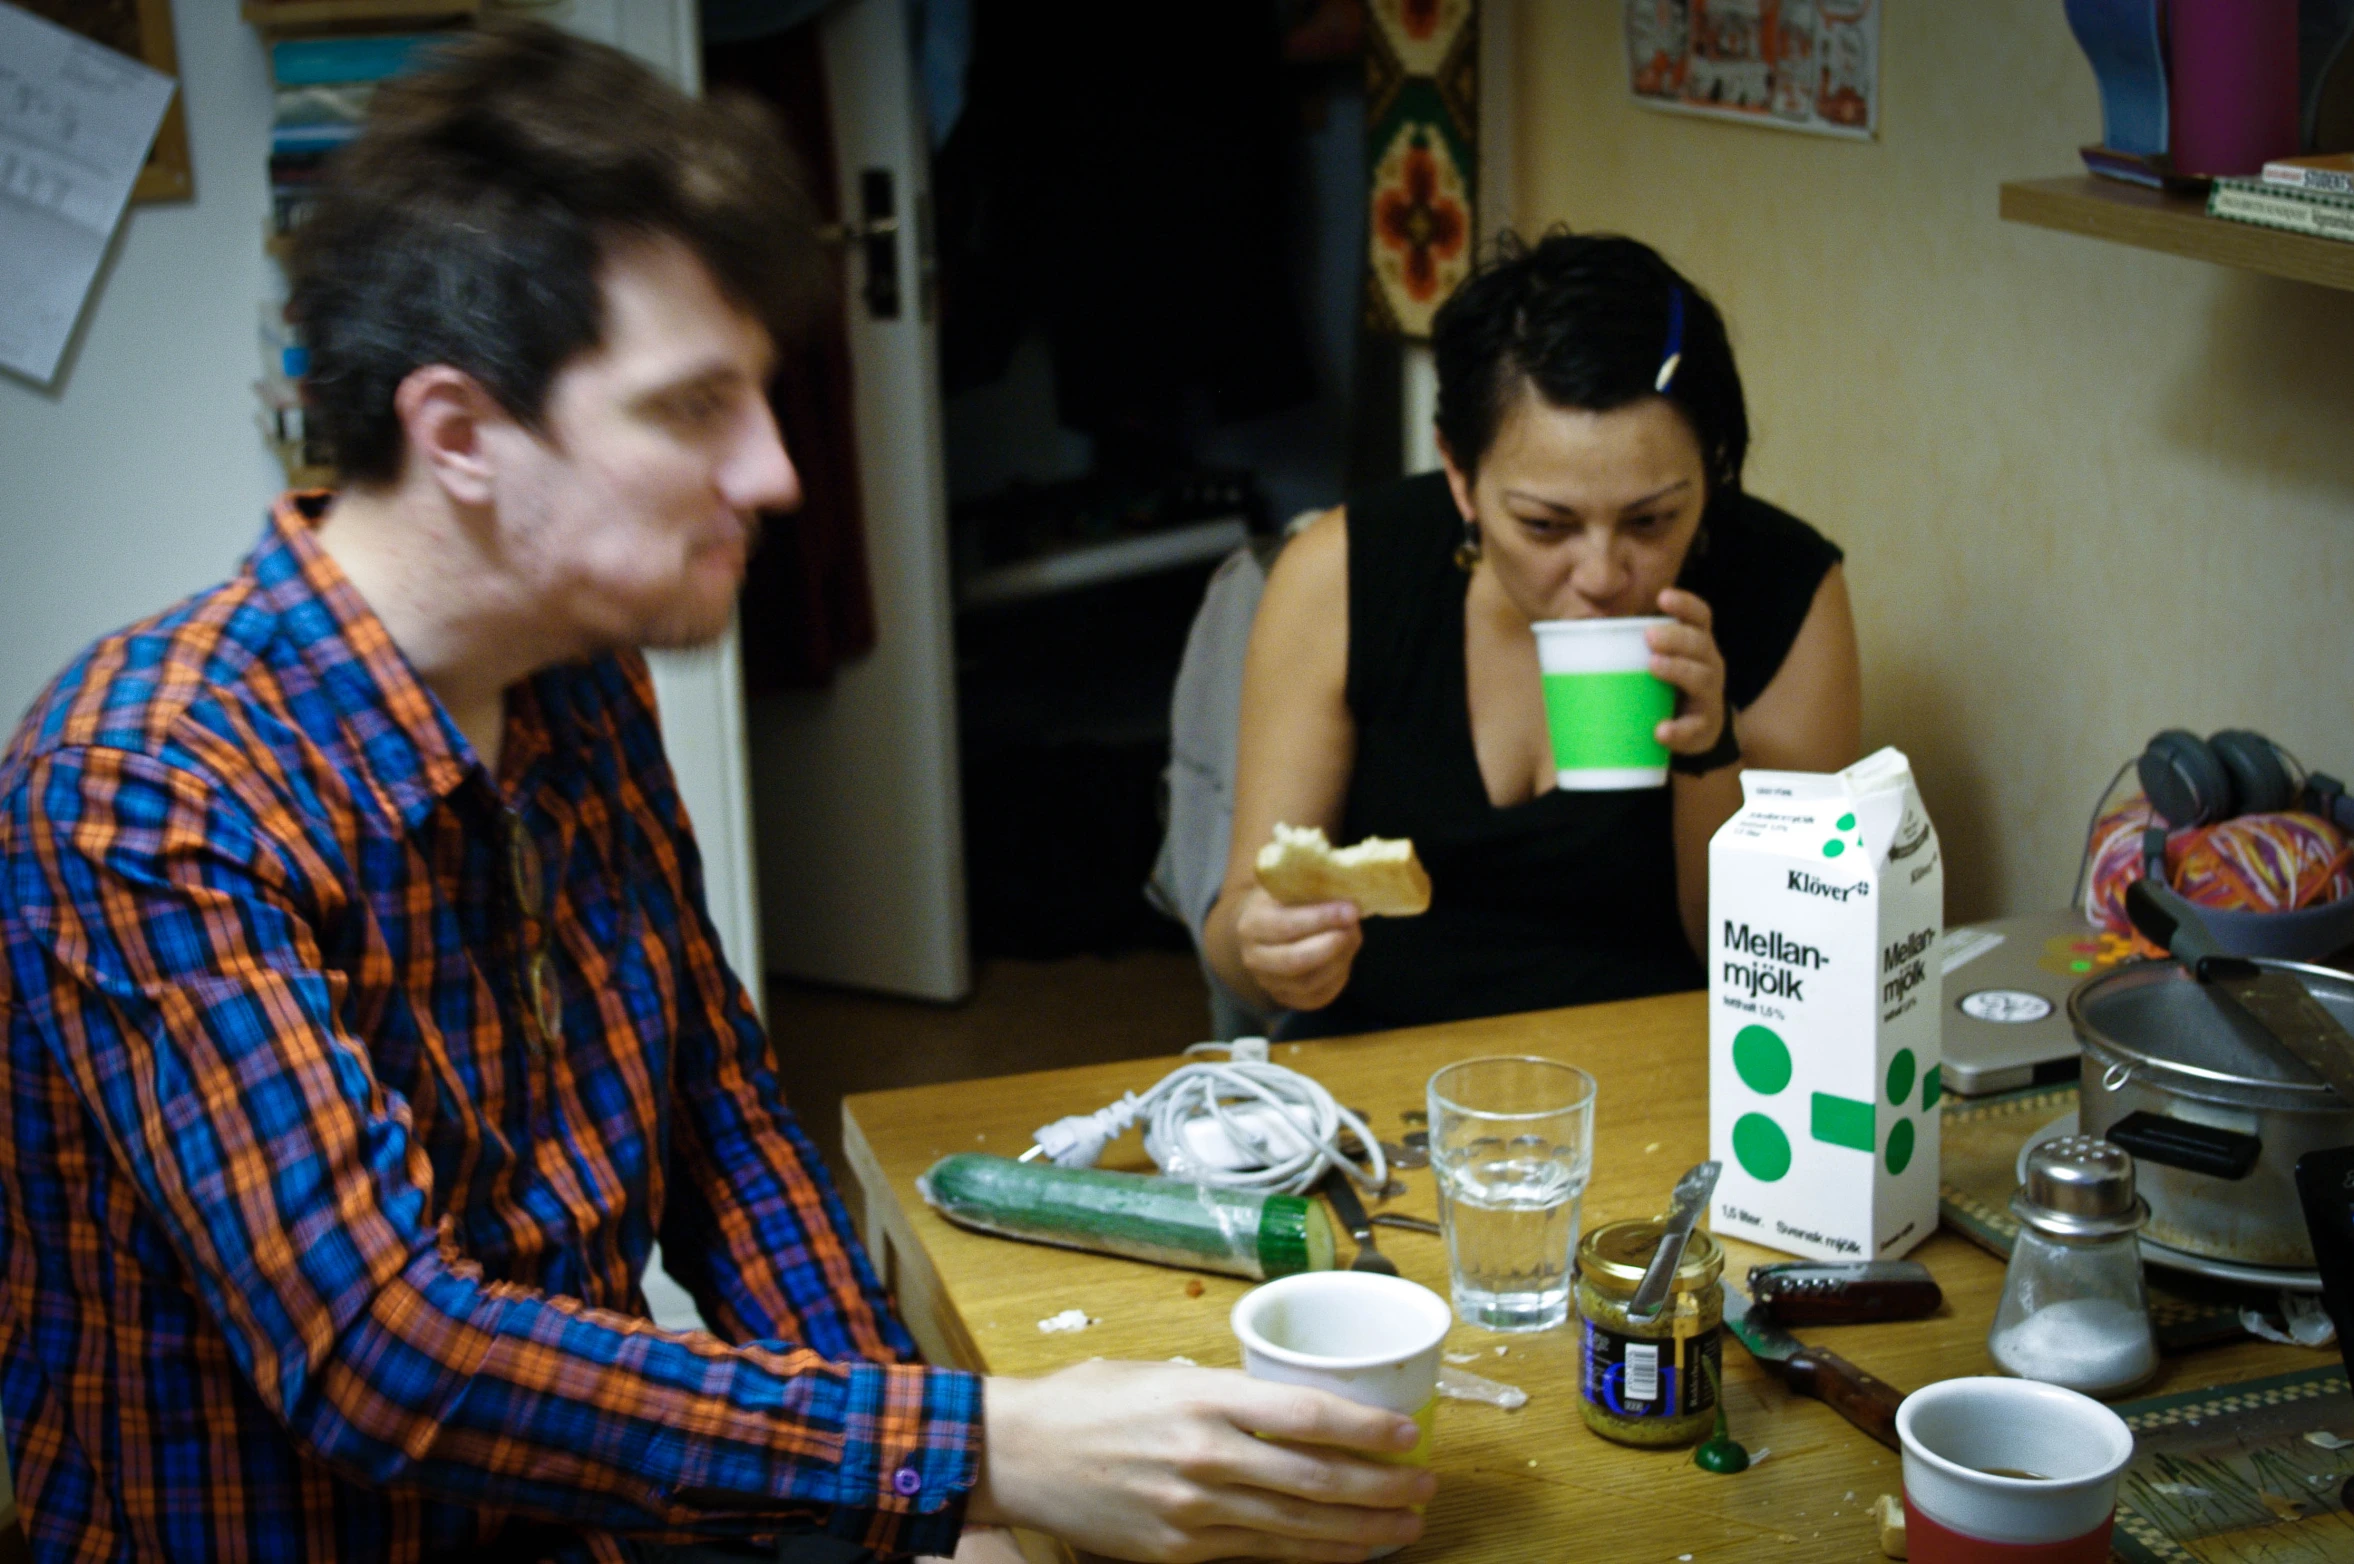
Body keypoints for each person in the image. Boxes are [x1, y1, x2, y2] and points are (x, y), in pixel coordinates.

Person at [0, 25, 1428, 1564]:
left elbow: (719, 1129)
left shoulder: (575, 676)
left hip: (591, 1517)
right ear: (461, 435)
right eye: (693, 409)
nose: (772, 472)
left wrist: (931, 1522)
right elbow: (381, 1357)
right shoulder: (140, 787)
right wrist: (979, 1448)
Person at [1203, 232, 1863, 1036]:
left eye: (1652, 519)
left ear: (1712, 475)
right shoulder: (1341, 574)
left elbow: (1776, 969)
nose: (1600, 572)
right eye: (1546, 525)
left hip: (1653, 1077)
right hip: (1380, 1071)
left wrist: (1709, 752)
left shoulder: (1785, 592)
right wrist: (1266, 946)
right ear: (1459, 474)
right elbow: (1236, 937)